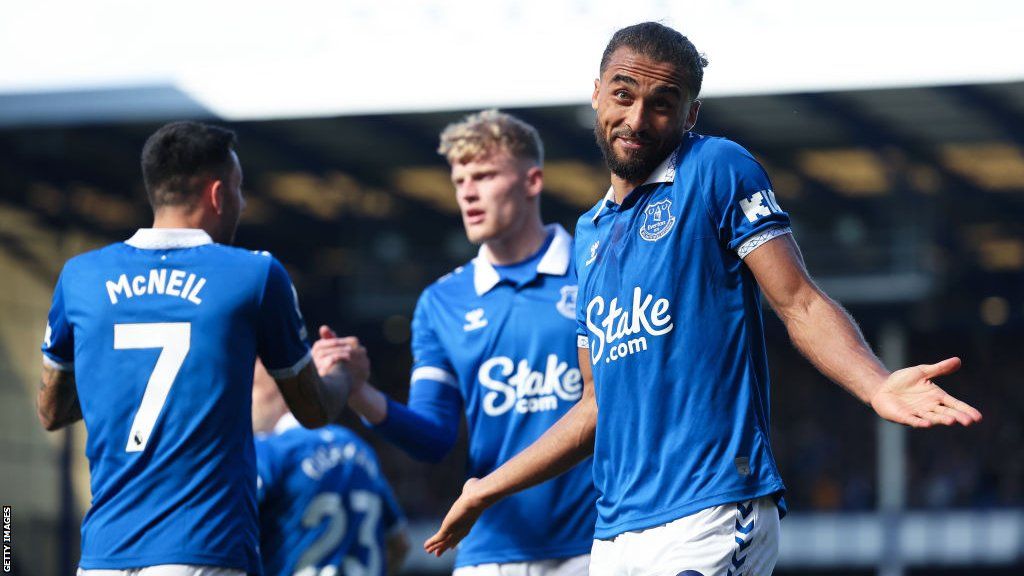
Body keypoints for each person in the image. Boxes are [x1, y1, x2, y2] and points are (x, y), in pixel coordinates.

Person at [425, 22, 983, 575]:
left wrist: (876, 383)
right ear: (596, 93)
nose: (637, 119)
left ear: (690, 114)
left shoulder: (716, 168)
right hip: (616, 533)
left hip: (713, 509)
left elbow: (798, 302)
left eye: (663, 103)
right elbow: (595, 407)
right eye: (623, 94)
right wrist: (484, 489)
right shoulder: (589, 235)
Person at [38, 121, 357, 576]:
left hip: (104, 557)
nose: (243, 203)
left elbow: (51, 411)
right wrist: (344, 372)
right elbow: (313, 410)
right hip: (204, 552)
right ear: (218, 194)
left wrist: (113, 380)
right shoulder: (255, 276)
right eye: (240, 189)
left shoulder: (80, 277)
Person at [316, 109, 597, 574]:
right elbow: (432, 438)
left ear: (532, 181)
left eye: (484, 175)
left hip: (594, 545)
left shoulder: (594, 270)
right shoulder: (442, 301)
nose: (467, 191)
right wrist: (359, 392)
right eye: (459, 178)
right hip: (489, 550)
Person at [251, 359, 410, 576]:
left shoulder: (269, 451)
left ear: (281, 393)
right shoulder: (357, 446)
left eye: (252, 387)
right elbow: (400, 544)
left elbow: (224, 526)